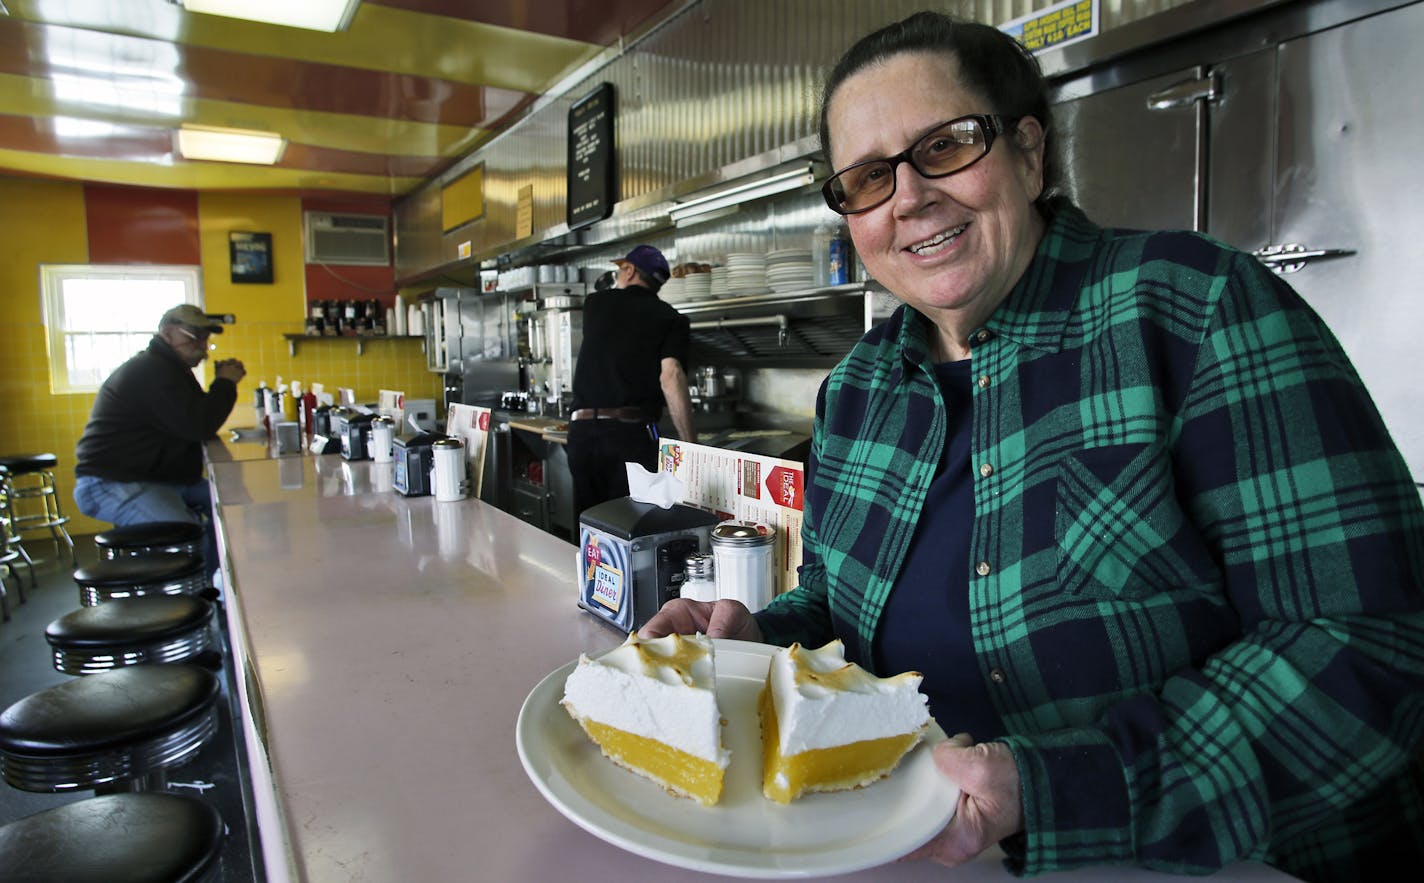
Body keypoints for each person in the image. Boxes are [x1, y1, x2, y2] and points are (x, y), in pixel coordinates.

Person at [639, 12, 1424, 882]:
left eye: (943, 146)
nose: (907, 197)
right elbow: (837, 602)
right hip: (919, 851)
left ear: (1029, 153)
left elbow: (1369, 646)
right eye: (866, 177)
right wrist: (756, 639)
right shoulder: (858, 389)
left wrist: (1060, 789)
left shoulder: (1194, 310)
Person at [74, 304, 247, 572]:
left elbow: (197, 416)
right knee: (185, 537)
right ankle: (188, 599)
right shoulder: (151, 371)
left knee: (230, 503)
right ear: (167, 334)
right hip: (111, 483)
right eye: (194, 337)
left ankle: (217, 585)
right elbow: (199, 425)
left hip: (157, 478)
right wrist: (224, 383)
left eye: (205, 339)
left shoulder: (170, 369)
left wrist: (220, 385)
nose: (202, 347)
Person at [567, 244, 697, 520]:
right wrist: (690, 444)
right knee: (626, 527)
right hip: (628, 439)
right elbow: (671, 375)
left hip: (581, 435)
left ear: (629, 270)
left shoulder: (594, 304)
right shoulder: (671, 318)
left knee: (588, 524)